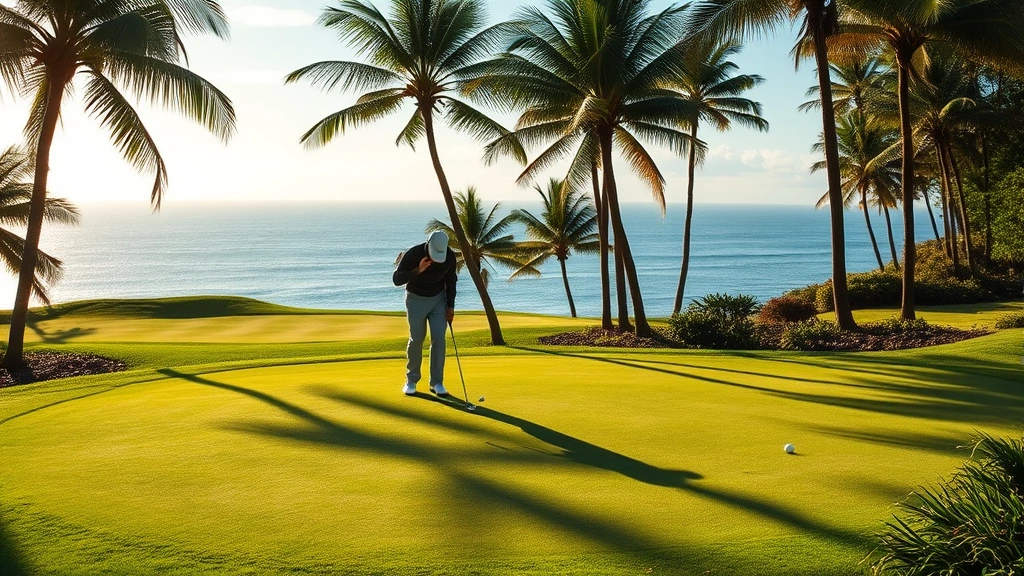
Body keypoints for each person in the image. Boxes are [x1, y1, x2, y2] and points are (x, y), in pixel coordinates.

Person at [393, 230, 457, 396]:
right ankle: (411, 380)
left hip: (438, 300)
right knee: (417, 339)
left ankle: (437, 382)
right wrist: (417, 270)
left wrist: (451, 306)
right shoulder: (413, 254)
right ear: (428, 245)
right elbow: (397, 279)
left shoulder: (449, 257)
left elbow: (451, 281)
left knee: (438, 338)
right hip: (416, 300)